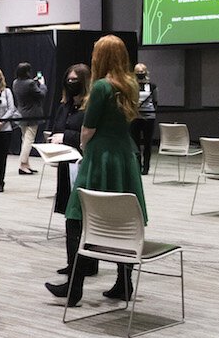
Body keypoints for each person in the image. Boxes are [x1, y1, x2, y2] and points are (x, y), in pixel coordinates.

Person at [48, 36, 146, 305]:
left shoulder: (102, 87)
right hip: (124, 157)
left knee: (76, 216)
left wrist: (82, 144)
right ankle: (123, 282)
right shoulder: (130, 84)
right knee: (122, 218)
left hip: (100, 156)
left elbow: (88, 128)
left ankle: (74, 287)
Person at [45, 62, 90, 276]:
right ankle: (73, 262)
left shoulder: (89, 107)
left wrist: (66, 137)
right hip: (65, 164)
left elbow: (88, 133)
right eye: (69, 80)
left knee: (83, 216)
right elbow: (57, 128)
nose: (71, 83)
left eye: (75, 80)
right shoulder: (64, 105)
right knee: (69, 214)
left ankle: (85, 264)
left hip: (83, 165)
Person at [12, 62, 46, 175]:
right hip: (32, 115)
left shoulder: (15, 82)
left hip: (21, 114)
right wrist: (42, 84)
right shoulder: (30, 83)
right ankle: (22, 164)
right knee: (29, 140)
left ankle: (26, 164)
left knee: (24, 139)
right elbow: (41, 94)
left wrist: (34, 83)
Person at [131, 62, 157, 175]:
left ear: (146, 72)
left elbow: (155, 101)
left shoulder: (152, 86)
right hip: (134, 117)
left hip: (149, 117)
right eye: (138, 72)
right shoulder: (131, 85)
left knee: (147, 143)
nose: (140, 74)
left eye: (142, 72)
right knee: (135, 143)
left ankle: (146, 167)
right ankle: (137, 165)